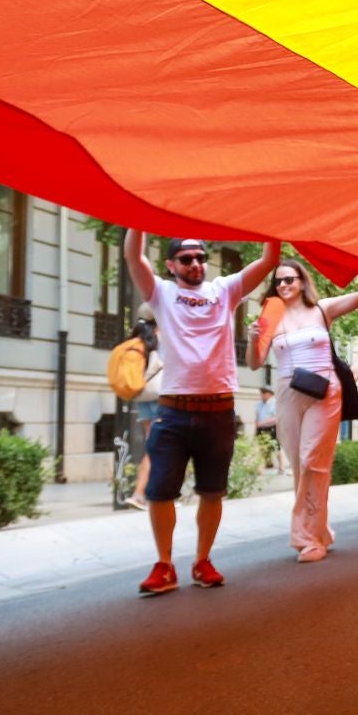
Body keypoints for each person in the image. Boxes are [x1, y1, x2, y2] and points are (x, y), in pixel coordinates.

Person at [124, 232, 280, 594]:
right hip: (173, 412)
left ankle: (202, 560)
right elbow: (133, 256)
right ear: (170, 265)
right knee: (160, 493)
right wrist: (139, 216)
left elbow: (269, 260)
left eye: (200, 257)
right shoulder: (161, 293)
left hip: (218, 411)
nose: (196, 264)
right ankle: (164, 566)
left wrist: (270, 223)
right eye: (186, 259)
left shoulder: (224, 290)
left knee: (213, 491)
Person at [263, 260, 358, 562]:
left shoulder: (322, 309)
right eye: (278, 282)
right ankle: (319, 528)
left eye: (289, 279)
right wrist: (253, 336)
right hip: (287, 394)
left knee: (313, 459)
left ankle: (308, 538)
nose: (283, 285)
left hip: (324, 391)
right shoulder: (271, 316)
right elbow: (254, 360)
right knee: (300, 468)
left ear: (302, 281)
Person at [126, 316, 162, 509]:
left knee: (153, 444)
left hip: (141, 398)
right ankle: (140, 494)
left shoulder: (137, 342)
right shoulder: (159, 339)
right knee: (156, 448)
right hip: (158, 396)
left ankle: (147, 493)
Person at [253, 385, 280, 472]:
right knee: (262, 448)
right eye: (261, 393)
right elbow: (257, 417)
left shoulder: (275, 403)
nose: (262, 395)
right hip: (261, 429)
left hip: (271, 428)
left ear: (269, 394)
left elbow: (276, 418)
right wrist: (256, 429)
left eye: (264, 393)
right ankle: (263, 467)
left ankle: (281, 467)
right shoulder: (259, 404)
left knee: (275, 448)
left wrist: (262, 423)